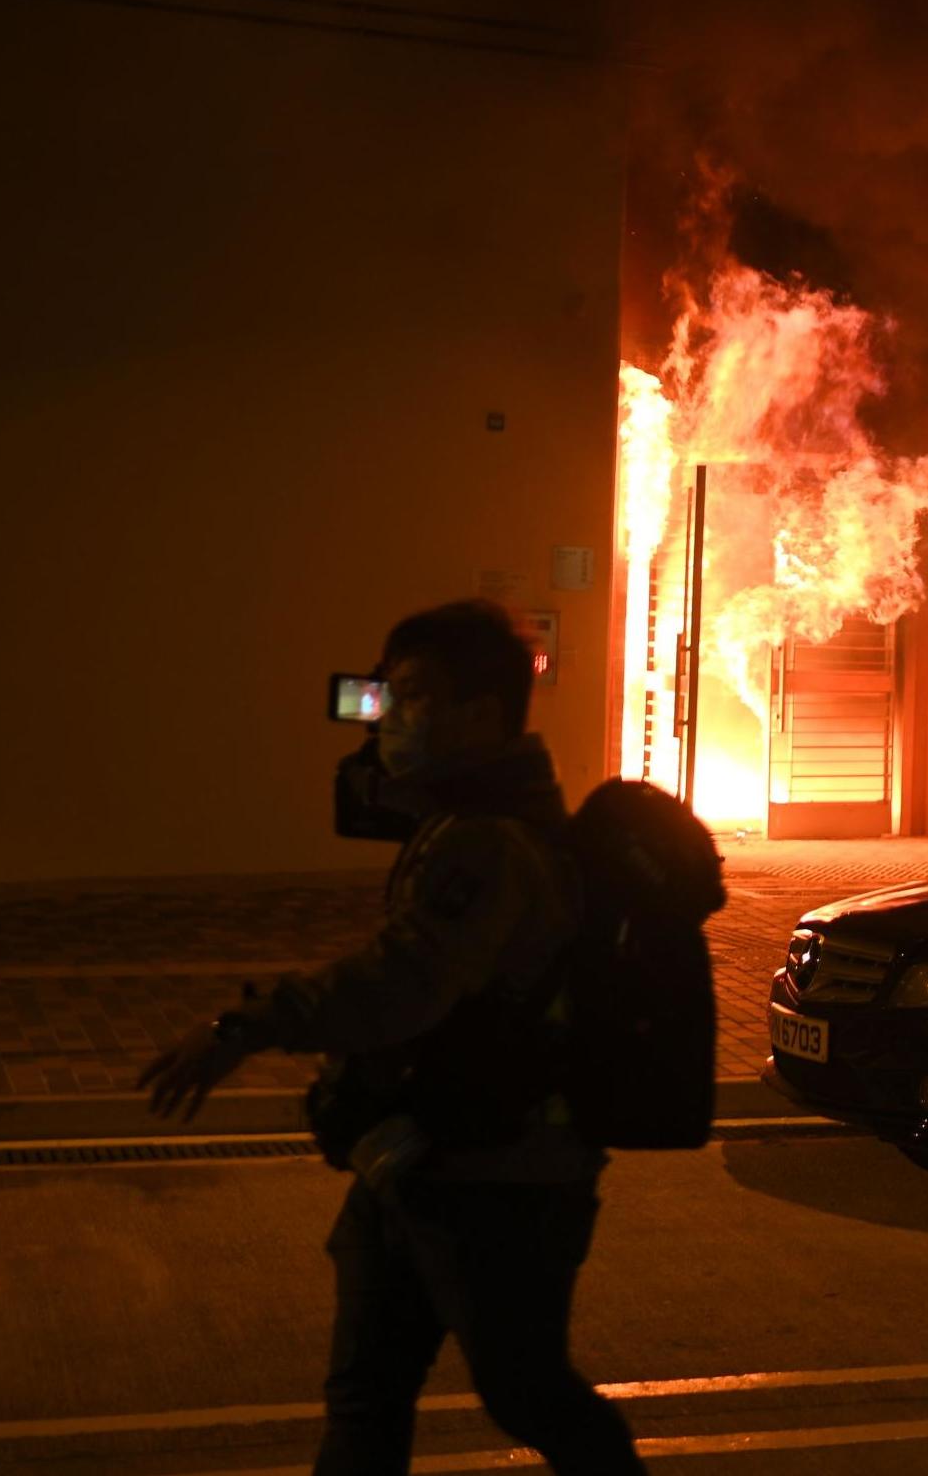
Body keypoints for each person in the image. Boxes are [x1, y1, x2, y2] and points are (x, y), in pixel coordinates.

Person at [139, 598, 644, 1476]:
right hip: (414, 1159)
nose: (390, 717)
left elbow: (398, 986)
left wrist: (245, 1025)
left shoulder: (488, 846)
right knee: (366, 1399)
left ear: (479, 715)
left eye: (411, 698)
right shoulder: (459, 820)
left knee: (525, 1393)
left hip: (502, 1182)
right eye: (384, 696)